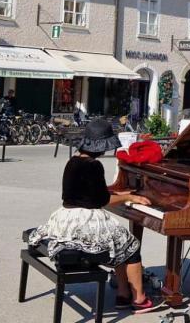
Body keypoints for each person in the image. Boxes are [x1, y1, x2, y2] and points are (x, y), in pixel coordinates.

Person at [29, 119, 158, 313]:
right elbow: (101, 201)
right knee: (131, 246)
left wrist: (120, 194)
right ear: (102, 146)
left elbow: (89, 192)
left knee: (120, 241)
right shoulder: (94, 166)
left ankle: (123, 294)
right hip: (85, 222)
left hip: (65, 217)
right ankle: (139, 299)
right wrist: (131, 196)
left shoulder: (74, 161)